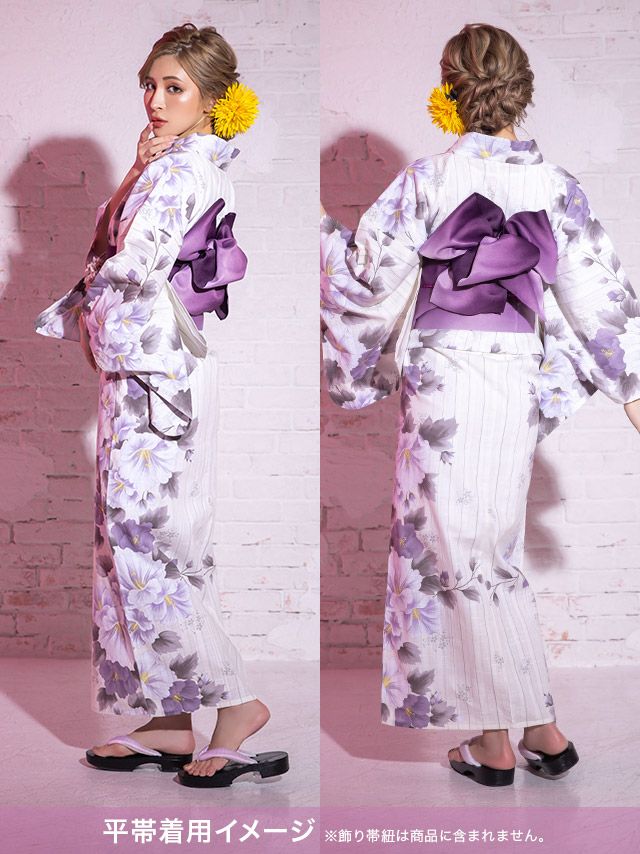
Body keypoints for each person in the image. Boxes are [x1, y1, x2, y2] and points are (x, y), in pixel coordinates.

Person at [320, 22, 640, 787]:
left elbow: (367, 277)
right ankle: (541, 731)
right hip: (513, 375)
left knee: (457, 553)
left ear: (451, 89)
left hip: (446, 377)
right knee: (489, 551)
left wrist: (318, 233)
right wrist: (635, 387)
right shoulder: (555, 186)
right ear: (520, 88)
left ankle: (497, 743)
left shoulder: (428, 180)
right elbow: (599, 295)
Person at [34, 22, 288, 788]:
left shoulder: (189, 169)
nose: (155, 99)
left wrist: (91, 302)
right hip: (145, 367)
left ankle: (236, 707)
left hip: (157, 373)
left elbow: (132, 258)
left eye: (174, 87)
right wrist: (134, 171)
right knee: (136, 539)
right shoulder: (170, 164)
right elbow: (114, 235)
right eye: (150, 84)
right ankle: (171, 720)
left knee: (149, 541)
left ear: (212, 100)